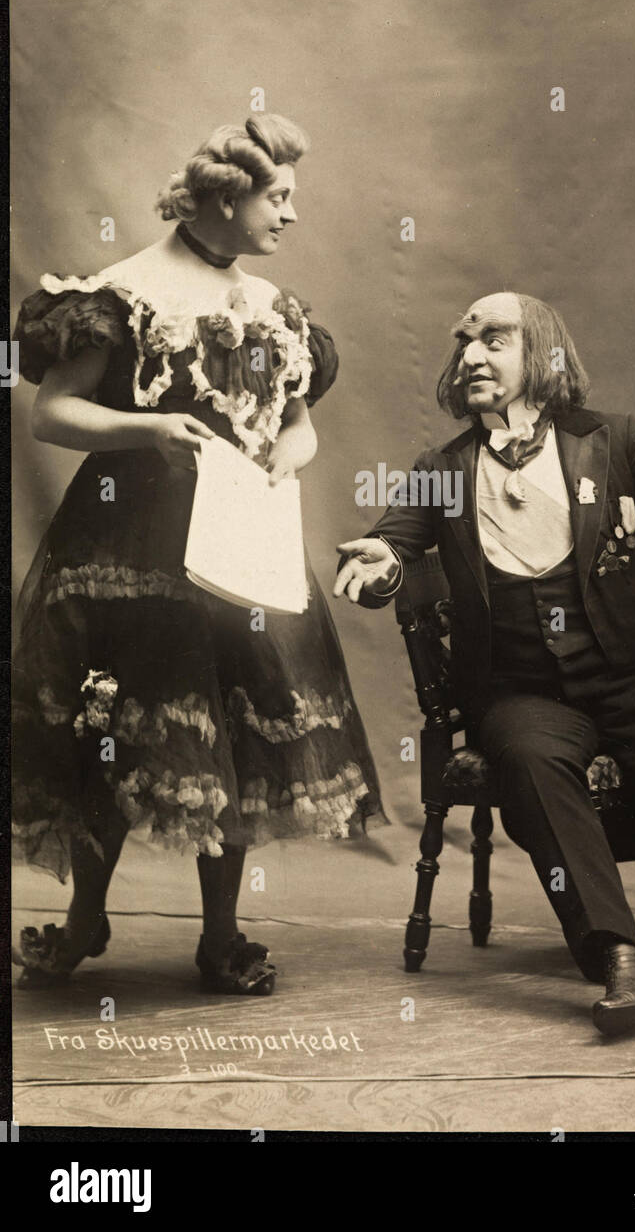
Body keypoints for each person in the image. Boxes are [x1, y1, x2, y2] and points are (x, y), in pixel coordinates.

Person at [335, 291, 635, 1036]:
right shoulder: (442, 467)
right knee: (529, 769)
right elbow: (392, 544)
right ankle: (623, 963)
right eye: (464, 341)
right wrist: (383, 564)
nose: (471, 355)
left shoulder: (614, 439)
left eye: (494, 338)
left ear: (543, 356)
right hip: (523, 694)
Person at [12, 112, 385, 996]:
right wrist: (147, 429)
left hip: (240, 549)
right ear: (226, 197)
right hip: (125, 553)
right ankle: (84, 917)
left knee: (240, 735)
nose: (290, 216)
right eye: (279, 198)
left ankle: (220, 936)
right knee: (110, 729)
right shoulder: (120, 293)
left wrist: (276, 460)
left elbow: (300, 430)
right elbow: (50, 413)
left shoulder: (275, 309)